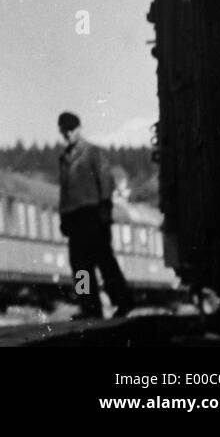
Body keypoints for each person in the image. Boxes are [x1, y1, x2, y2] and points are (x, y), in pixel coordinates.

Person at [57, 111, 134, 318]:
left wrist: (105, 211)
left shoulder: (93, 153)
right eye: (64, 131)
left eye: (71, 130)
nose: (67, 135)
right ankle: (89, 308)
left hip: (93, 215)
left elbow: (105, 182)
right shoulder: (63, 159)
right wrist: (63, 217)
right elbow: (64, 192)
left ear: (79, 129)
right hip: (74, 218)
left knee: (104, 261)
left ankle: (123, 301)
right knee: (80, 267)